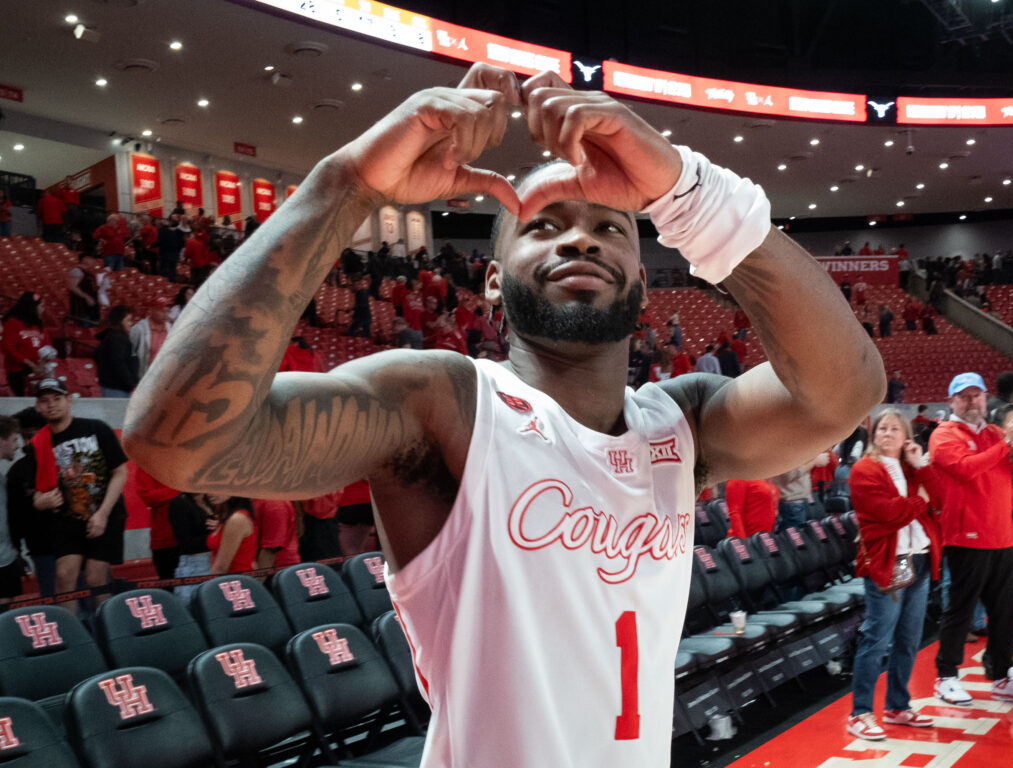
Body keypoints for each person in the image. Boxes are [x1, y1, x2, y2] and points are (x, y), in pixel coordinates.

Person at [124, 63, 884, 767]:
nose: (580, 236)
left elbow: (845, 392)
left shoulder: (682, 421)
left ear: (644, 286)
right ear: (492, 282)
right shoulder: (442, 402)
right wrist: (347, 184)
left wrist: (688, 193)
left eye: (610, 225)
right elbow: (178, 445)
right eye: (543, 225)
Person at [846, 408, 942, 741]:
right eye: (882, 429)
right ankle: (859, 713)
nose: (886, 434)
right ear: (874, 435)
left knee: (908, 639)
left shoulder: (909, 468)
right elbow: (889, 513)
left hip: (920, 560)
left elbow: (940, 499)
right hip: (888, 563)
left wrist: (921, 467)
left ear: (906, 438)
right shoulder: (863, 469)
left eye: (894, 429)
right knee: (876, 639)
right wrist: (920, 501)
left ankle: (898, 705)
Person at [930, 372, 1013, 706]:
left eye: (977, 395)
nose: (972, 401)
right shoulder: (943, 435)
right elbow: (967, 468)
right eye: (965, 396)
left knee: (1007, 612)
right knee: (961, 609)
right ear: (952, 401)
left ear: (986, 398)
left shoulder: (996, 433)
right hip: (967, 537)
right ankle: (946, 676)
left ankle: (1002, 674)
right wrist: (1007, 443)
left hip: (1003, 536)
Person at [27, 378, 128, 612]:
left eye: (57, 398)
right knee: (63, 577)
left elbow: (120, 472)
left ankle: (107, 631)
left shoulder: (96, 428)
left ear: (69, 400)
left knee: (96, 577)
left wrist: (102, 514)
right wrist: (40, 502)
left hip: (106, 513)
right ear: (38, 406)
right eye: (45, 400)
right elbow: (34, 493)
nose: (52, 404)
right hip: (66, 519)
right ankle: (73, 638)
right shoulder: (38, 443)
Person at [6, 407, 57, 598]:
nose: (26, 443)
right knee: (55, 604)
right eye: (22, 437)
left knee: (91, 601)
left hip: (76, 547)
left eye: (30, 435)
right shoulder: (18, 471)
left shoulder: (64, 460)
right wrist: (17, 551)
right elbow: (13, 516)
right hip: (42, 549)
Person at [2, 292, 53, 396]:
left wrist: (42, 363)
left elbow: (48, 346)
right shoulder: (13, 322)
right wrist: (31, 364)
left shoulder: (39, 324)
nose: (44, 309)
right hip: (18, 371)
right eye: (41, 306)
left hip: (38, 369)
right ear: (32, 307)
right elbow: (8, 348)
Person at [0, 416, 26, 604]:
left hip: (6, 558)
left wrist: (14, 552)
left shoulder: (2, 479)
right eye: (14, 439)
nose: (17, 446)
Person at [94, 305, 139, 397]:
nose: (131, 324)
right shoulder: (117, 339)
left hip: (116, 388)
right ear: (119, 322)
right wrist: (131, 384)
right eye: (128, 320)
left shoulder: (111, 337)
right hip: (117, 389)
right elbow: (119, 364)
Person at [207, 496, 257, 575]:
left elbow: (221, 568)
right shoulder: (224, 516)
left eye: (217, 487)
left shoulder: (237, 519)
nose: (209, 493)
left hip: (235, 581)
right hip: (227, 579)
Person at [129, 296, 173, 380]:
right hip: (145, 377)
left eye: (167, 311)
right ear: (151, 310)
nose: (165, 314)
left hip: (164, 376)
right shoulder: (139, 329)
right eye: (161, 310)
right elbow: (130, 354)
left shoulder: (170, 329)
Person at [68, 252, 101, 327]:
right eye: (91, 258)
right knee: (85, 328)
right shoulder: (77, 271)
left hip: (91, 308)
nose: (94, 261)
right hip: (82, 309)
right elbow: (72, 287)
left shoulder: (89, 273)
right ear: (85, 260)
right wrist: (87, 297)